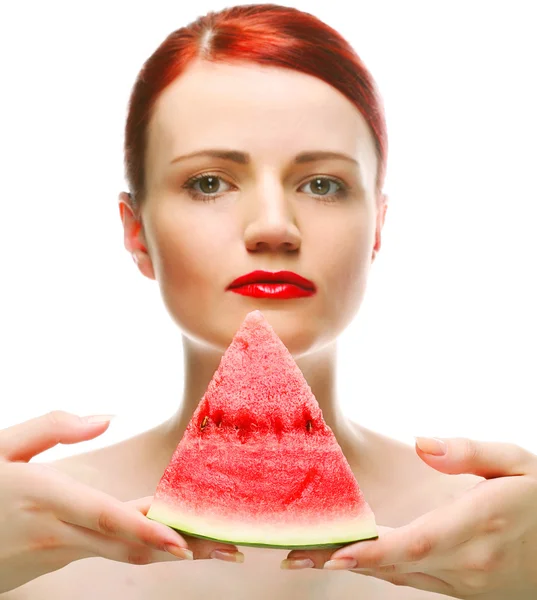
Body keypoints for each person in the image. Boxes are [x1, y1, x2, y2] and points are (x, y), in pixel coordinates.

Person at [1, 4, 536, 599]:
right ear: (136, 232)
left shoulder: (499, 532)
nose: (274, 227)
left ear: (377, 227)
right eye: (209, 182)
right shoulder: (29, 536)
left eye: (323, 184)